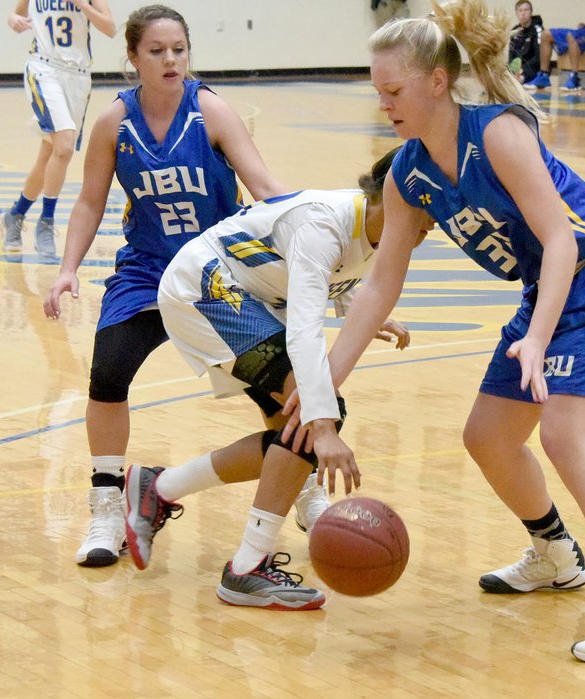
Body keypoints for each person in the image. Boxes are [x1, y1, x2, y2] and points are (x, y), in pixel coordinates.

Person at [308, 0, 585, 663]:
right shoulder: (408, 173)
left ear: (434, 82)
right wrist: (322, 383)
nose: (384, 104)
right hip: (550, 289)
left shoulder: (499, 135)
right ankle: (554, 553)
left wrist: (538, 340)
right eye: (378, 92)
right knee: (487, 436)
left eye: (393, 90)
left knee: (565, 433)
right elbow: (379, 285)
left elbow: (562, 241)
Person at [43, 5, 324, 570]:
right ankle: (106, 506)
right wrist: (68, 266)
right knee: (108, 371)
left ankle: (307, 490)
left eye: (179, 50)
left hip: (219, 272)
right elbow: (91, 200)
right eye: (157, 51)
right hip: (148, 269)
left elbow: (265, 185)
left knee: (274, 388)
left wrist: (317, 235)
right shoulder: (113, 124)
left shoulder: (211, 111)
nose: (171, 60)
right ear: (133, 58)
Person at [124, 149, 431, 609]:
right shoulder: (322, 224)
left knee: (291, 433)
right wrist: (324, 423)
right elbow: (306, 327)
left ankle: (159, 487)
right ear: (389, 195)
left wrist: (361, 313)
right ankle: (247, 566)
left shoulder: (382, 230)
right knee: (315, 419)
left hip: (254, 300)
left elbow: (337, 280)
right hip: (207, 287)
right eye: (426, 211)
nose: (431, 225)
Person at [3, 0, 116, 259]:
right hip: (43, 68)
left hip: (78, 76)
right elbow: (15, 14)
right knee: (64, 147)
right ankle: (47, 221)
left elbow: (109, 28)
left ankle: (16, 214)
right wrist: (13, 20)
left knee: (50, 155)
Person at [509, 1, 543, 84]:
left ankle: (516, 81)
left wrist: (522, 69)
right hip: (516, 68)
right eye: (520, 10)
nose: (523, 13)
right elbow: (510, 55)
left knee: (517, 80)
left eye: (526, 10)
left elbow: (538, 58)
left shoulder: (538, 30)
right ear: (516, 13)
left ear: (531, 12)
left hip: (532, 67)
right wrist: (512, 68)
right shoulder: (514, 31)